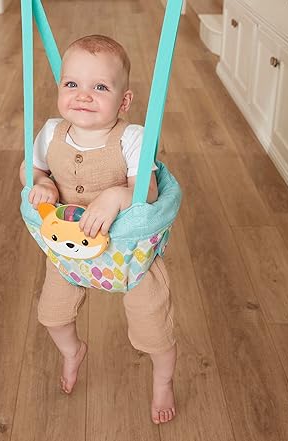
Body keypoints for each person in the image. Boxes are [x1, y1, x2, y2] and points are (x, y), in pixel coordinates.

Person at [19, 34, 177, 425]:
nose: (83, 95)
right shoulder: (51, 131)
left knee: (153, 328)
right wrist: (43, 183)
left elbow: (148, 190)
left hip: (128, 258)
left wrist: (116, 196)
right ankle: (72, 351)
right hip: (69, 253)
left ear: (124, 101)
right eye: (72, 83)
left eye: (100, 87)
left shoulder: (133, 138)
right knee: (52, 315)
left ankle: (163, 381)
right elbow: (30, 169)